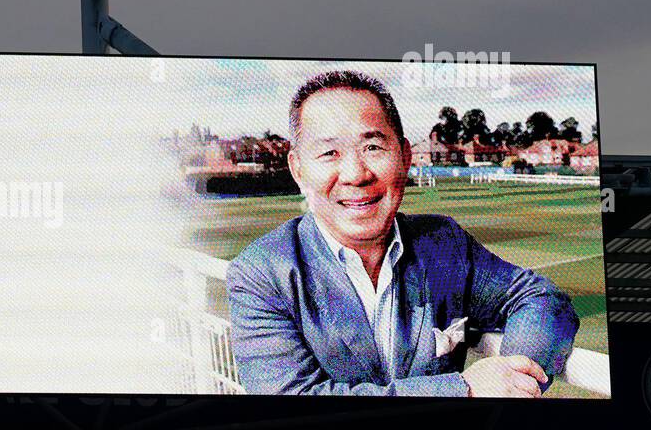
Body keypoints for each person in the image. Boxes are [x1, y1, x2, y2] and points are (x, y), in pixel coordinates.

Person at [226, 70, 578, 397]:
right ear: (297, 168)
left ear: (406, 156)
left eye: (373, 147)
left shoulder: (443, 243)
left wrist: (513, 378)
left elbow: (543, 300)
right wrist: (463, 390)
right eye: (329, 152)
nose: (355, 174)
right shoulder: (261, 273)